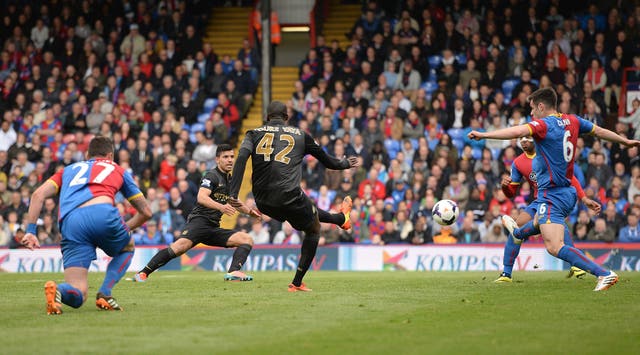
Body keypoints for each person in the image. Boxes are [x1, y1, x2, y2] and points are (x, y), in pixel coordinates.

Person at [468, 87, 640, 291]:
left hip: (553, 194)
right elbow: (600, 131)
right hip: (565, 191)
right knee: (533, 224)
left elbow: (517, 131)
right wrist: (624, 141)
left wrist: (483, 134)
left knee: (554, 246)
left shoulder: (543, 125)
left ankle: (604, 274)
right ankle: (518, 232)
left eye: (532, 109)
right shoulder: (573, 120)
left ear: (541, 106)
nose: (531, 114)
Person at [228, 101, 359, 292]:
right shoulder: (300, 135)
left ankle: (341, 219)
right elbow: (327, 161)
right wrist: (344, 164)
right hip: (289, 195)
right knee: (313, 229)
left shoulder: (253, 133)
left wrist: (233, 192)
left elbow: (240, 158)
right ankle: (297, 282)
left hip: (263, 201)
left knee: (304, 214)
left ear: (267, 117)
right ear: (287, 117)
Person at [20, 136, 152, 314]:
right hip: (102, 213)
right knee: (127, 246)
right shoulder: (117, 169)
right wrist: (124, 229)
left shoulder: (67, 170)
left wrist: (30, 231)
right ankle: (105, 294)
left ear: (87, 154)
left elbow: (37, 195)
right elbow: (146, 212)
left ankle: (58, 290)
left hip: (70, 223)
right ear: (110, 155)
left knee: (78, 293)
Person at [133, 144, 261, 283]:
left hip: (212, 228)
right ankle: (143, 273)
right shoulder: (211, 176)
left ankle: (234, 271)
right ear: (217, 159)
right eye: (225, 157)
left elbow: (233, 201)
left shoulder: (229, 179)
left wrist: (249, 212)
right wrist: (221, 207)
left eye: (231, 157)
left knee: (246, 239)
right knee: (178, 248)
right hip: (199, 223)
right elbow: (201, 197)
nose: (230, 160)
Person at [496, 136, 601, 282]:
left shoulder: (548, 154)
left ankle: (576, 263)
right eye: (521, 138)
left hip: (557, 197)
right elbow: (511, 194)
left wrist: (583, 198)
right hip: (539, 200)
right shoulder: (518, 163)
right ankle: (506, 274)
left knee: (551, 223)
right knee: (518, 224)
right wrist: (504, 186)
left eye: (527, 137)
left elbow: (571, 178)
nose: (524, 141)